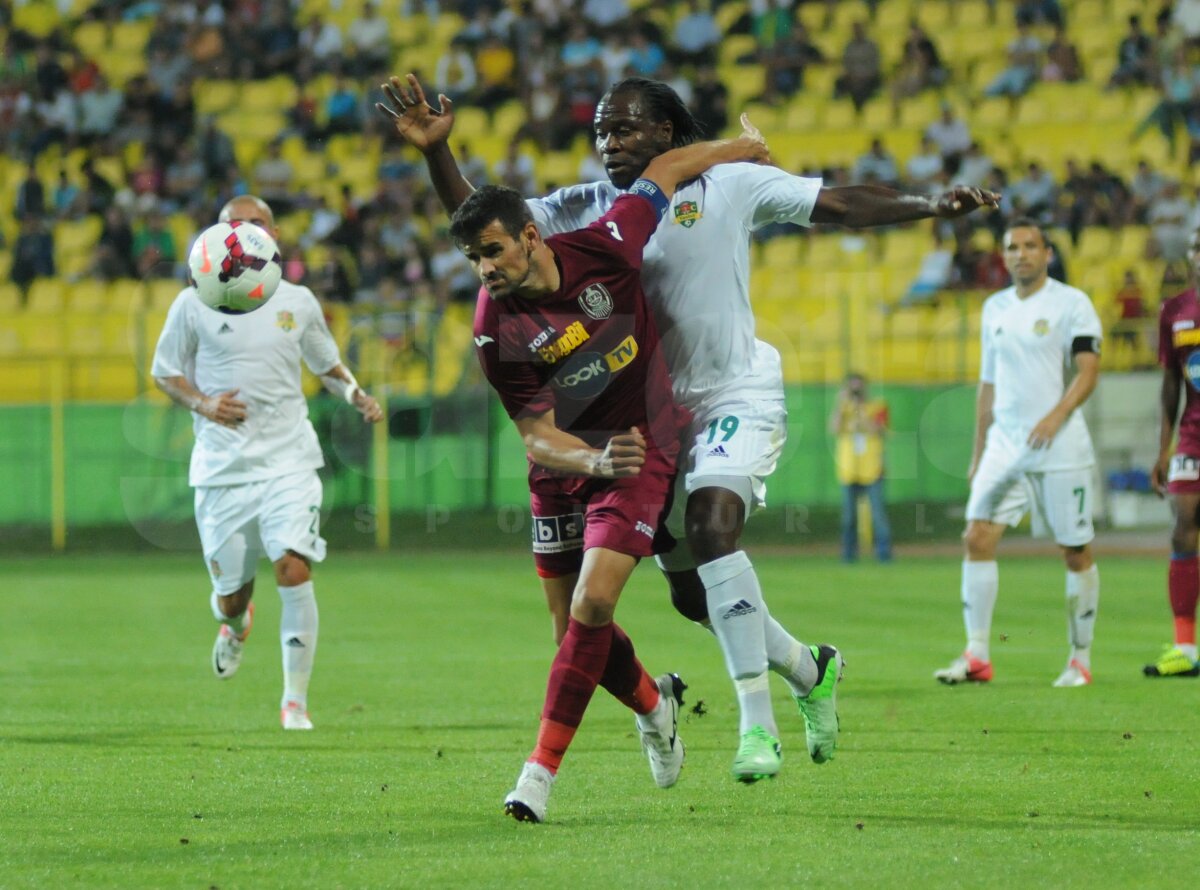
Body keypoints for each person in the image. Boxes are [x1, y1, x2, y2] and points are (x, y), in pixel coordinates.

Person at [377, 72, 998, 782]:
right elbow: (486, 228)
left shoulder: (730, 184)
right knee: (690, 595)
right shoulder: (586, 207)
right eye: (602, 132)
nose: (610, 143)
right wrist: (437, 153)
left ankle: (755, 726)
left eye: (627, 129)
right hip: (656, 419)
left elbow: (838, 204)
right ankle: (810, 668)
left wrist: (929, 207)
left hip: (736, 388)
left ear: (667, 134)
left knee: (712, 528)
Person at [450, 129, 770, 822]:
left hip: (641, 449)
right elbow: (536, 435)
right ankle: (655, 706)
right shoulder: (493, 328)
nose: (485, 268)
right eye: (473, 257)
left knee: (595, 606)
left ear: (532, 238)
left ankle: (537, 774)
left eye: (494, 250)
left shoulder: (608, 242)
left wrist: (740, 145)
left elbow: (665, 166)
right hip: (568, 464)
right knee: (572, 626)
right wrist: (590, 459)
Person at [150, 194, 383, 730]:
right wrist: (205, 404)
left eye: (256, 224)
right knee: (231, 597)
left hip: (289, 461)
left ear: (273, 235)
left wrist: (356, 396)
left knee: (292, 566)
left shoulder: (297, 300)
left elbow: (328, 365)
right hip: (222, 468)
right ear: (215, 238)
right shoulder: (191, 303)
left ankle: (294, 702)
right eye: (235, 225)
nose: (246, 232)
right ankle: (234, 625)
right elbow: (166, 373)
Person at [934, 218, 1102, 688]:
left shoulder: (1072, 303)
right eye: (1012, 247)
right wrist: (978, 448)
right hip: (1004, 446)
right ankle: (978, 655)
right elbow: (987, 384)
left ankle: (1080, 659)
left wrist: (1055, 416)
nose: (1021, 253)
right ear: (1003, 256)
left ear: (1047, 253)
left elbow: (1088, 371)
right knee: (977, 538)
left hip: (1059, 444)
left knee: (1074, 550)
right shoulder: (995, 309)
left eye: (1030, 246)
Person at [1146, 227, 1200, 678]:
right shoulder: (1176, 310)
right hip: (1193, 435)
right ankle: (1186, 647)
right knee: (1183, 528)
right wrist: (1162, 448)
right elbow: (1170, 384)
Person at [830, 372, 892, 562]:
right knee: (849, 517)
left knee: (878, 515)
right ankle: (849, 555)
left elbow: (879, 430)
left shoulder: (878, 406)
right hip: (848, 469)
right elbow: (834, 428)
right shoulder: (843, 408)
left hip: (872, 469)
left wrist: (860, 412)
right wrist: (841, 405)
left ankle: (884, 554)